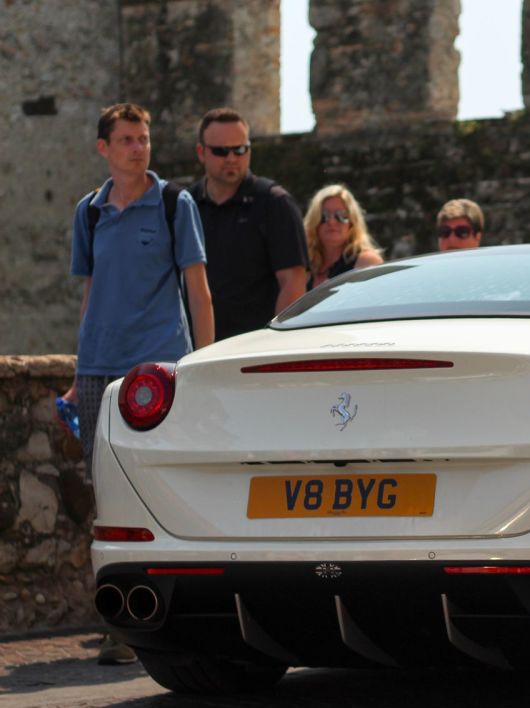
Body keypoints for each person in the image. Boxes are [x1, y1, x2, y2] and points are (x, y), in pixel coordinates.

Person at [67, 103, 214, 665]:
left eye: (144, 138)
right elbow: (90, 293)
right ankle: (118, 617)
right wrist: (78, 366)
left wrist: (200, 367)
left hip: (156, 368)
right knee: (104, 493)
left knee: (157, 488)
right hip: (96, 367)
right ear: (103, 147)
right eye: (126, 139)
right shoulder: (89, 212)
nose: (138, 147)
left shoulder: (175, 204)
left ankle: (159, 619)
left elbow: (198, 292)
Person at [190, 108, 308, 341]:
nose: (232, 158)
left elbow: (293, 282)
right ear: (201, 153)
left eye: (240, 149)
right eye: (221, 151)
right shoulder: (187, 204)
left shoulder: (274, 203)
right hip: (196, 349)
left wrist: (275, 344)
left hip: (253, 348)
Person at [303, 184, 383, 289]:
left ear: (352, 223)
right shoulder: (304, 266)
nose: (332, 221)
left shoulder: (366, 262)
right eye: (324, 215)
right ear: (314, 221)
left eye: (341, 215)